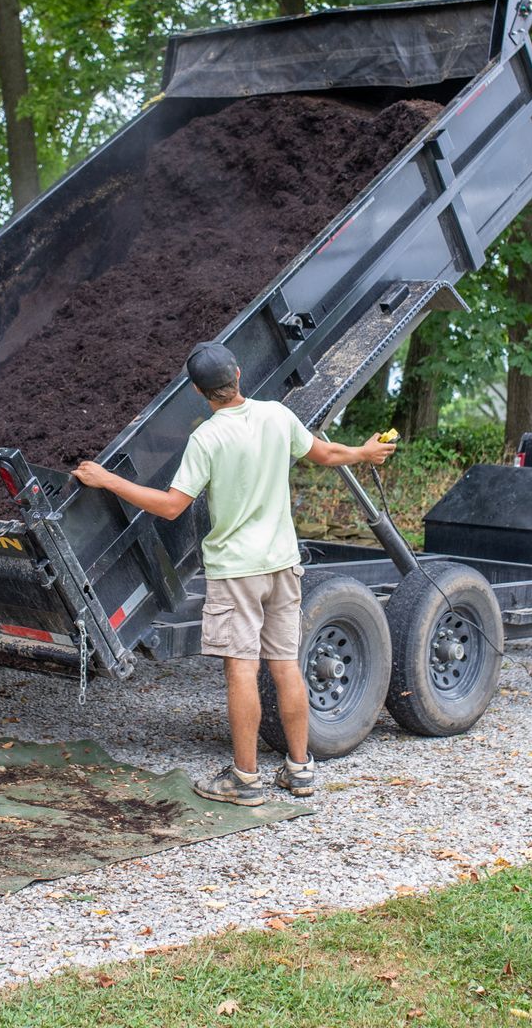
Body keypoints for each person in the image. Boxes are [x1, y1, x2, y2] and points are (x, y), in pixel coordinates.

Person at [72, 341, 395, 806]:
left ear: (199, 392)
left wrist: (109, 480)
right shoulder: (277, 416)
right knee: (286, 665)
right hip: (283, 565)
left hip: (236, 573)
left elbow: (170, 506)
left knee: (241, 671)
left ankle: (245, 780)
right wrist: (364, 453)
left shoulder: (207, 437)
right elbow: (325, 455)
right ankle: (300, 771)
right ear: (238, 375)